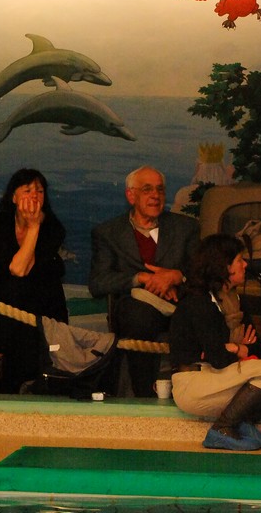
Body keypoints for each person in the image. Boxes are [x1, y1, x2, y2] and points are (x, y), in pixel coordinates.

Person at [170, 234, 261, 450]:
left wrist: (236, 348)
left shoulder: (234, 300)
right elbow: (218, 358)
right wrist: (238, 348)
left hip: (223, 377)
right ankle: (223, 427)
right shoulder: (198, 302)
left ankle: (241, 422)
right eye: (239, 260)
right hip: (195, 383)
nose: (245, 265)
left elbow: (256, 347)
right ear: (224, 266)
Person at [89, 165, 200, 396]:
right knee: (138, 317)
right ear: (131, 196)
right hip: (136, 309)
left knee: (197, 312)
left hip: (179, 302)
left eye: (160, 190)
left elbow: (202, 272)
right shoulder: (108, 233)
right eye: (147, 189)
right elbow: (98, 283)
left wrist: (176, 276)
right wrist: (140, 278)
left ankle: (190, 392)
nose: (155, 196)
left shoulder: (185, 228)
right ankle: (144, 395)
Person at [0, 168, 69, 394]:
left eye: (40, 191)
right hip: (5, 297)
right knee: (14, 287)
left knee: (19, 286)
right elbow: (14, 268)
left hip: (42, 299)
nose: (34, 196)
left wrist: (34, 227)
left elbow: (23, 269)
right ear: (13, 197)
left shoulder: (53, 229)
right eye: (27, 190)